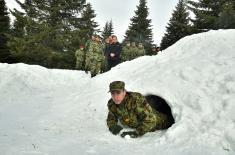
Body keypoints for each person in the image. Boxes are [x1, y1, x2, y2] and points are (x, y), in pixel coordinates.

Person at [106, 81, 170, 138]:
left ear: (124, 92)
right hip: (139, 124)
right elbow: (111, 118)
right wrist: (112, 126)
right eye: (112, 93)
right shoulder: (112, 104)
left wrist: (137, 133)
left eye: (118, 92)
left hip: (161, 122)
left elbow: (151, 120)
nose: (115, 97)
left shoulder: (135, 100)